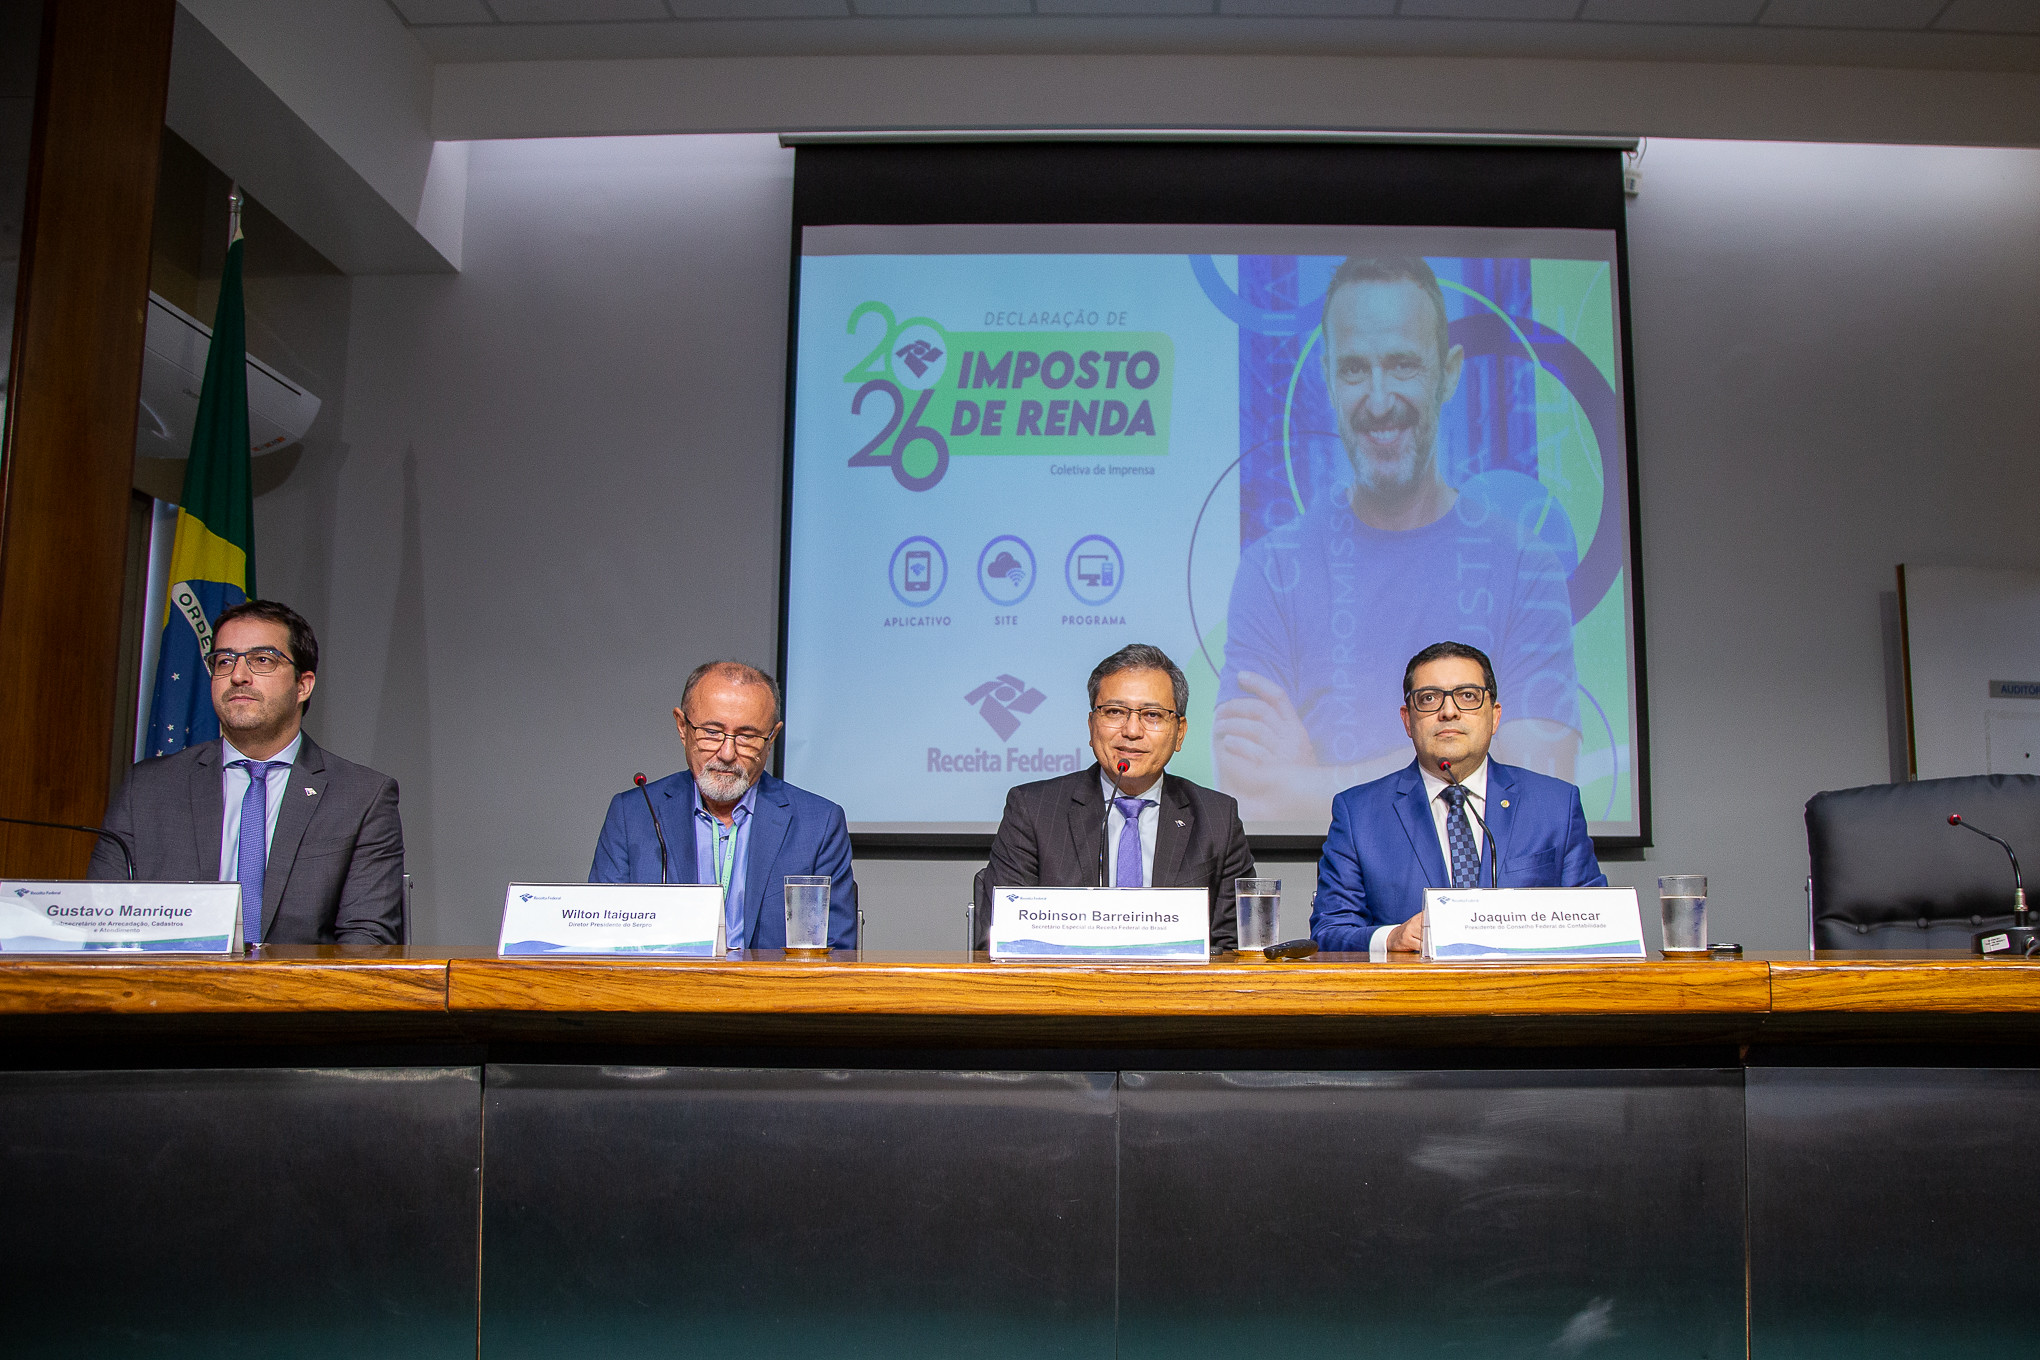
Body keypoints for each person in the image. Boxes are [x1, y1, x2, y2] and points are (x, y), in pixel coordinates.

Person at [1215, 254, 1582, 824]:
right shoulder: (1272, 571)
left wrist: (1310, 786)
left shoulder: (1524, 567)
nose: (1379, 398)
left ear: (1450, 372)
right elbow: (1254, 802)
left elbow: (1539, 785)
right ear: (1327, 379)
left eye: (1403, 365)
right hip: (1333, 902)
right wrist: (1460, 761)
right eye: (1356, 369)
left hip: (1483, 908)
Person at [91, 600, 405, 945]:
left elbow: (366, 941)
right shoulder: (147, 788)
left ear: (303, 685)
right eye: (224, 661)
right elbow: (102, 923)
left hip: (298, 996)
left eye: (262, 660)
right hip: (170, 993)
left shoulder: (362, 797)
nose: (238, 675)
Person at [1311, 640, 1605, 954]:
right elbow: (1329, 931)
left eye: (1467, 696)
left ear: (1494, 716)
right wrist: (1391, 938)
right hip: (1413, 998)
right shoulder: (1359, 813)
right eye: (1429, 698)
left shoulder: (1556, 805)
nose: (1448, 711)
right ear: (1408, 720)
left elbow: (1598, 925)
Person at [981, 643, 1254, 951]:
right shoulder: (1033, 810)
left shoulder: (1217, 818)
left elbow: (1236, 949)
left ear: (1179, 733)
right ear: (1091, 725)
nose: (1132, 730)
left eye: (1152, 715)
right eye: (1114, 712)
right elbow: (1001, 940)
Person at [590, 660, 857, 951]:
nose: (727, 753)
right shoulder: (634, 815)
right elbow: (602, 941)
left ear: (771, 738)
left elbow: (837, 952)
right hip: (662, 993)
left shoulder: (818, 824)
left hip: (772, 994)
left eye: (747, 736)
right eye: (712, 732)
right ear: (682, 727)